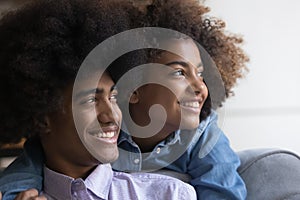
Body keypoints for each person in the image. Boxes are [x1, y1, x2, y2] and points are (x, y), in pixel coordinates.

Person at [1, 0, 249, 199]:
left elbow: (225, 191)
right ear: (134, 86)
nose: (199, 86)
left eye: (201, 73)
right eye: (179, 73)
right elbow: (30, 164)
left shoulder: (202, 138)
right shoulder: (103, 128)